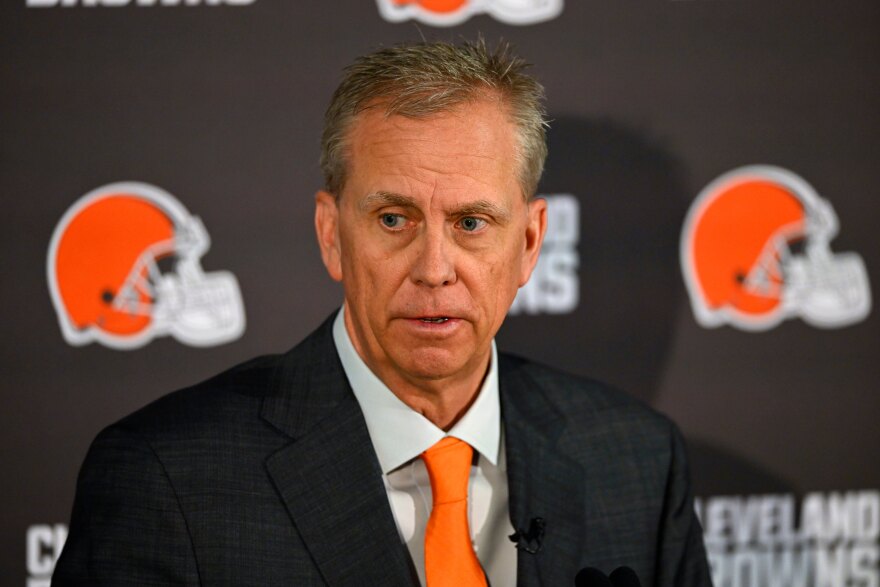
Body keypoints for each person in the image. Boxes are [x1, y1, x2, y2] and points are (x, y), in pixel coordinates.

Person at [53, 39, 712, 586]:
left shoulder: (636, 463)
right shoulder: (168, 479)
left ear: (531, 243)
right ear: (331, 234)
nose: (434, 267)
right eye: (393, 218)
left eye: (472, 222)